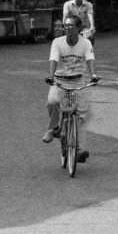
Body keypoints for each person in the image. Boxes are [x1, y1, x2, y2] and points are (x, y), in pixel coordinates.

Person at [42, 15, 97, 162]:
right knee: (53, 102)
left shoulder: (85, 43)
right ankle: (54, 129)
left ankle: (77, 149)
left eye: (71, 26)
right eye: (65, 26)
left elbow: (90, 60)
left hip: (79, 81)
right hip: (60, 80)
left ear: (79, 28)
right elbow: (53, 59)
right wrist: (51, 76)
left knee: (81, 115)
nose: (67, 29)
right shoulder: (57, 42)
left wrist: (93, 75)